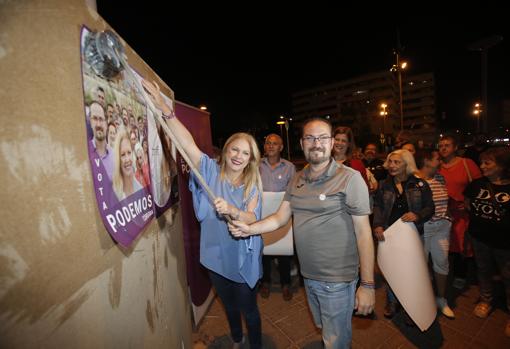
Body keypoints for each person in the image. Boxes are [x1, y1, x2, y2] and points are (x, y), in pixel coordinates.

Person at [229, 118, 375, 348]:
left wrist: (367, 285)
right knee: (325, 330)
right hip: (309, 276)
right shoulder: (298, 178)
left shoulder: (349, 178)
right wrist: (249, 229)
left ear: (331, 143)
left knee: (336, 341)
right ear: (302, 143)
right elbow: (280, 217)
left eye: (322, 138)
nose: (316, 143)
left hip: (337, 280)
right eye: (310, 138)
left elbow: (364, 233)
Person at [142, 79, 264, 349]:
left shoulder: (252, 184)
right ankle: (236, 338)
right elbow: (187, 143)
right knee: (229, 306)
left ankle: (255, 345)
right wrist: (166, 110)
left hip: (243, 258)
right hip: (214, 255)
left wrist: (233, 210)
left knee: (249, 310)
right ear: (227, 150)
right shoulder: (208, 170)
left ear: (251, 159)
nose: (238, 156)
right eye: (235, 149)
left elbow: (253, 218)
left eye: (245, 153)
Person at [372, 149, 435, 320]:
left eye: (396, 162)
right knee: (391, 271)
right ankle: (392, 302)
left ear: (407, 164)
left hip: (412, 236)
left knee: (412, 271)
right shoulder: (384, 184)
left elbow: (430, 207)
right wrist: (377, 225)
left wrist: (418, 215)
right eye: (390, 162)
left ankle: (412, 306)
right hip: (389, 235)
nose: (391, 165)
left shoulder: (420, 184)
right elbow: (377, 206)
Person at [464, 147, 510, 337]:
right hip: (479, 238)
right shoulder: (476, 184)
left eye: (487, 163)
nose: (482, 166)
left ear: (502, 166)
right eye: (481, 162)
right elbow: (468, 204)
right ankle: (486, 300)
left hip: (505, 243)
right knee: (483, 270)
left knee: (508, 275)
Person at [415, 150, 455, 319]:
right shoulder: (414, 181)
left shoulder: (440, 177)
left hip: (442, 227)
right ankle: (421, 301)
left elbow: (444, 200)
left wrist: (447, 216)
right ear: (426, 160)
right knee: (420, 266)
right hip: (424, 229)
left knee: (442, 263)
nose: (441, 161)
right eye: (437, 158)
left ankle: (441, 299)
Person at [438, 135, 481, 289]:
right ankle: (445, 273)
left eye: (447, 145)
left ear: (455, 147)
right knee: (445, 245)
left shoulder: (466, 164)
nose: (443, 148)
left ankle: (461, 275)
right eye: (441, 145)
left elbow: (480, 186)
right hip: (443, 213)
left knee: (461, 244)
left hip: (462, 213)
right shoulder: (437, 166)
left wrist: (470, 202)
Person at [258, 133, 296, 301]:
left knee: (284, 251)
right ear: (264, 146)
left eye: (275, 143)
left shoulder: (289, 167)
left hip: (283, 214)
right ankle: (265, 282)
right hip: (262, 215)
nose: (271, 146)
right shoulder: (256, 165)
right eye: (268, 143)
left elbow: (293, 190)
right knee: (263, 250)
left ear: (281, 147)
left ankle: (285, 284)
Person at [112, 128, 143, 200]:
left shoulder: (140, 189)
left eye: (129, 152)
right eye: (122, 155)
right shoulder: (114, 193)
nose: (127, 159)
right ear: (118, 159)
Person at [88, 101, 114, 180]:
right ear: (90, 121)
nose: (98, 124)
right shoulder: (85, 153)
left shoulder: (114, 156)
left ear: (106, 122)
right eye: (95, 118)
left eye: (101, 119)